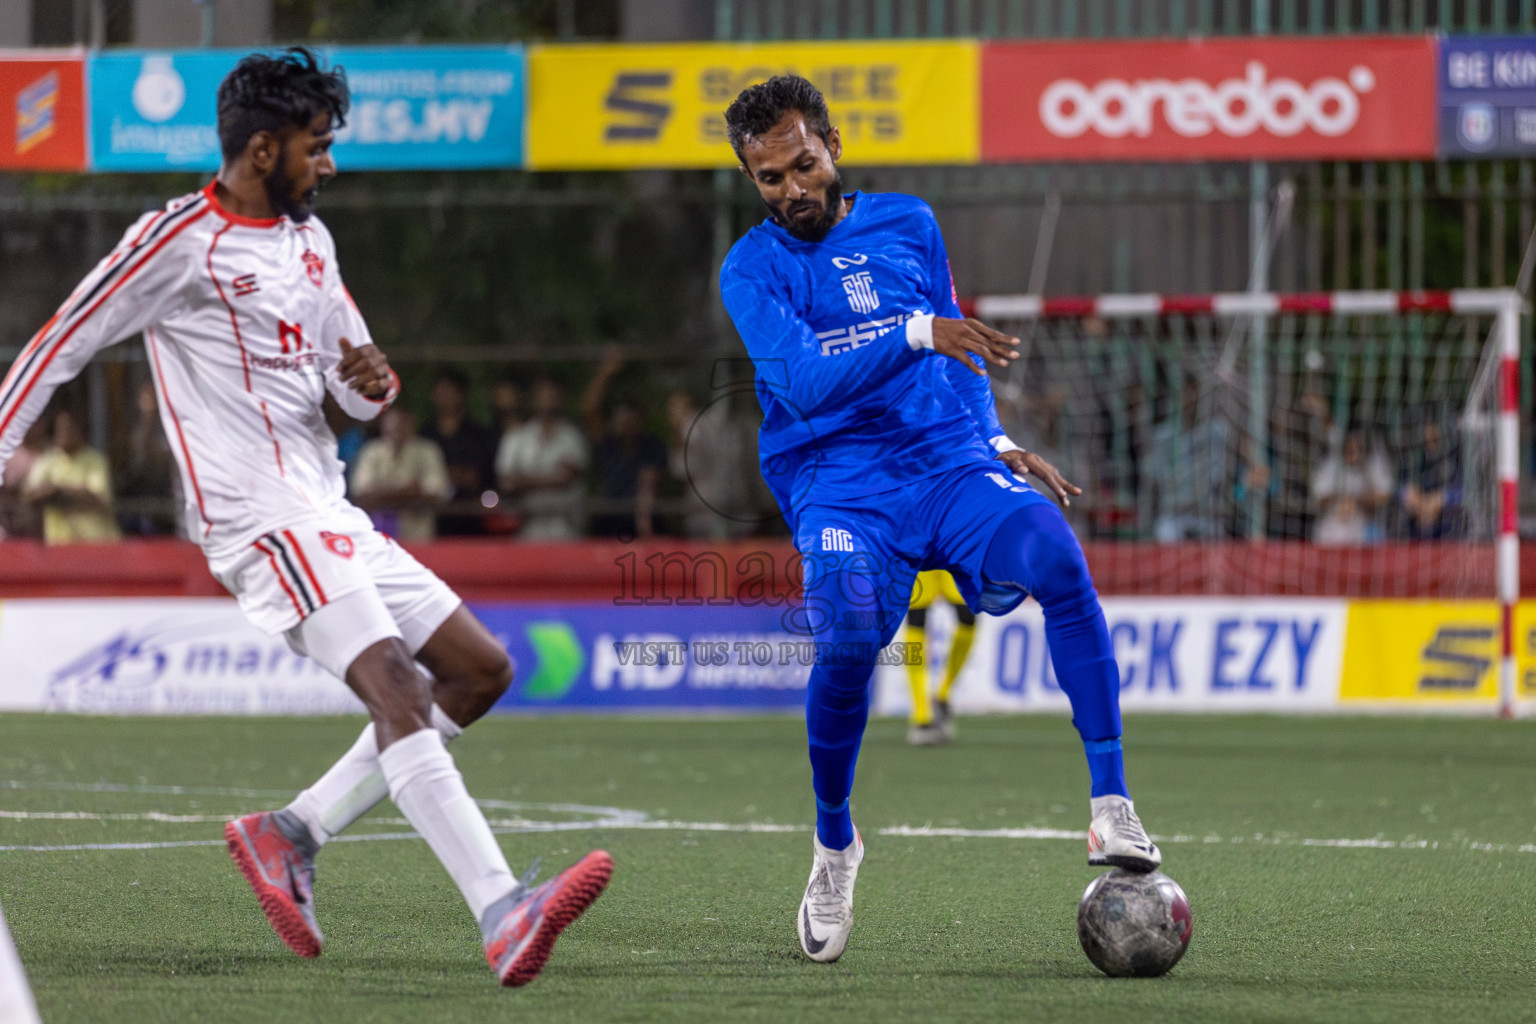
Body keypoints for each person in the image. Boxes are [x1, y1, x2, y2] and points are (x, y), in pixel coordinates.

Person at [0, 48, 610, 987]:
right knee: (400, 689)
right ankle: (502, 909)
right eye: (316, 148)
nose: (329, 165)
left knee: (479, 672)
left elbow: (354, 380)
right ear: (260, 149)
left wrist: (369, 386)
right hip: (258, 523)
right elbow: (56, 347)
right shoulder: (174, 243)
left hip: (329, 507)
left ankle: (293, 832)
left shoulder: (311, 243)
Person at [719, 76, 1160, 965]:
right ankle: (835, 846)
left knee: (1058, 559)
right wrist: (917, 332)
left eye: (803, 164)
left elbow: (960, 350)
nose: (792, 190)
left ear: (833, 145)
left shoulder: (911, 222)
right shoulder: (751, 269)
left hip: (947, 462)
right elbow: (803, 380)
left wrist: (994, 440)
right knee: (846, 636)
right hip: (838, 483)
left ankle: (1112, 805)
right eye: (769, 179)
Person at [582, 349, 666, 540]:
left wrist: (644, 526)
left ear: (641, 422)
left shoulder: (651, 446)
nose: (627, 424)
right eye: (623, 418)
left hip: (640, 519)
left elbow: (648, 485)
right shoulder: (608, 442)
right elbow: (589, 410)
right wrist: (606, 373)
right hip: (609, 518)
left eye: (633, 419)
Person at [495, 377, 588, 540]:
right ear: (534, 399)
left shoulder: (573, 437)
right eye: (543, 395)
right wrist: (553, 479)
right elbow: (507, 483)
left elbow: (568, 479)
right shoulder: (517, 437)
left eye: (552, 395)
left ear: (561, 399)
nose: (548, 400)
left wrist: (523, 480)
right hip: (528, 528)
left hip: (566, 528)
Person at [350, 406, 452, 541]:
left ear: (412, 425)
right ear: (383, 427)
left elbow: (437, 494)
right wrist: (408, 490)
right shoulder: (371, 451)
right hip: (376, 539)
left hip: (419, 539)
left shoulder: (428, 450)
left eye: (403, 424)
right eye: (392, 426)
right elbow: (360, 496)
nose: (397, 430)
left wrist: (381, 490)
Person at [24, 407, 121, 544]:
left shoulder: (95, 461)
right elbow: (29, 495)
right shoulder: (48, 461)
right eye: (61, 429)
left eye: (69, 428)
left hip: (97, 544)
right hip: (60, 545)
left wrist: (59, 490)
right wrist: (52, 493)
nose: (65, 433)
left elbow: (100, 499)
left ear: (80, 430)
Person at [421, 368, 497, 536]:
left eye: (451, 390)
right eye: (441, 390)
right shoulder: (425, 434)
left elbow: (482, 475)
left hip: (472, 515)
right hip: (432, 517)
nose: (446, 396)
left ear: (462, 394)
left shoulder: (478, 434)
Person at [902, 570, 975, 746]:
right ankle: (921, 716)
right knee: (916, 617)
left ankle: (942, 696)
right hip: (919, 547)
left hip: (952, 547)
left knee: (968, 618)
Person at [117, 379, 180, 536]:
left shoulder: (170, 428)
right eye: (144, 397)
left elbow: (161, 459)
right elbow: (136, 458)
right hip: (138, 498)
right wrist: (147, 420)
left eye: (152, 396)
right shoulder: (135, 429)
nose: (148, 401)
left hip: (166, 499)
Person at [1311, 428, 1393, 546]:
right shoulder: (1333, 464)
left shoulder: (1370, 464)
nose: (1354, 453)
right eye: (1350, 448)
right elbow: (1319, 496)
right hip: (1332, 530)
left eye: (1358, 448)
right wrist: (1340, 501)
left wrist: (1357, 500)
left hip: (1362, 529)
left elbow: (1385, 495)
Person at [1398, 418, 1461, 539]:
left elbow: (1463, 491)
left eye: (1434, 439)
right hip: (1415, 525)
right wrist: (1417, 500)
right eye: (1427, 441)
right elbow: (1400, 490)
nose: (1430, 443)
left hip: (1446, 528)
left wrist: (1442, 498)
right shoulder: (1413, 460)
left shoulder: (1454, 458)